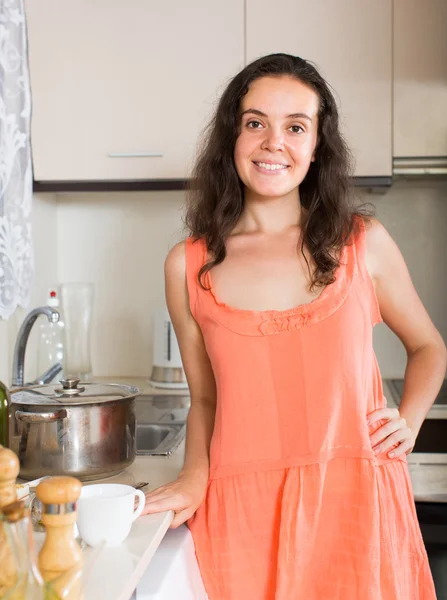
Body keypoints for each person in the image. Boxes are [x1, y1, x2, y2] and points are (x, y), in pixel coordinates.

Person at [142, 53, 447, 599]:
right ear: (231, 138)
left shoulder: (361, 243)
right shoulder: (186, 264)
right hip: (241, 509)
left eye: (295, 127)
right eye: (255, 122)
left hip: (355, 498)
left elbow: (428, 346)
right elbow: (206, 400)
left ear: (316, 146)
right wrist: (193, 478)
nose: (272, 142)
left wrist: (410, 418)